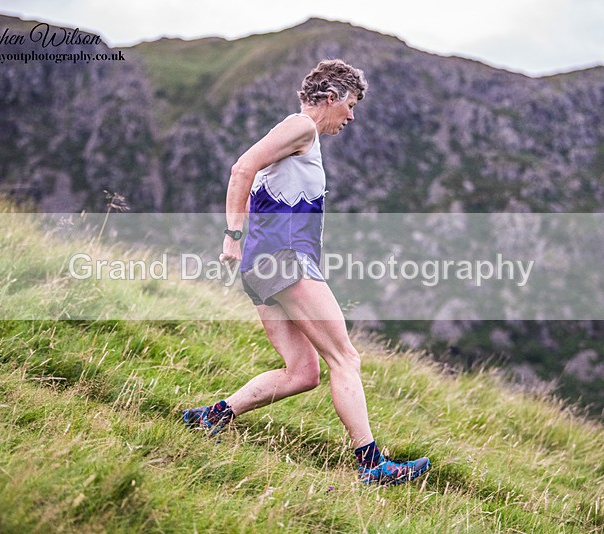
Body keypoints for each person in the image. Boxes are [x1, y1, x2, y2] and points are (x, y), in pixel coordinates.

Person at [183, 59, 430, 486]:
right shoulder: (302, 128)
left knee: (303, 373)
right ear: (330, 98)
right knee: (345, 357)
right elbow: (241, 168)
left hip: (263, 267)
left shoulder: (299, 139)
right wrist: (231, 236)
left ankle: (210, 417)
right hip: (284, 260)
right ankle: (372, 466)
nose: (351, 116)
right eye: (350, 105)